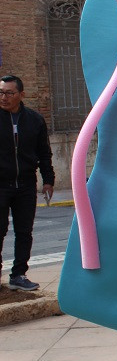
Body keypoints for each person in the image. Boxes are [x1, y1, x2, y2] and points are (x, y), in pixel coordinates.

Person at [0, 75, 54, 292]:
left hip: (25, 185)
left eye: (9, 93)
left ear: (21, 95)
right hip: (1, 185)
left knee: (24, 231)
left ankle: (19, 274)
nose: (3, 97)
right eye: (1, 92)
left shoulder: (34, 120)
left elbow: (44, 153)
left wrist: (48, 180)